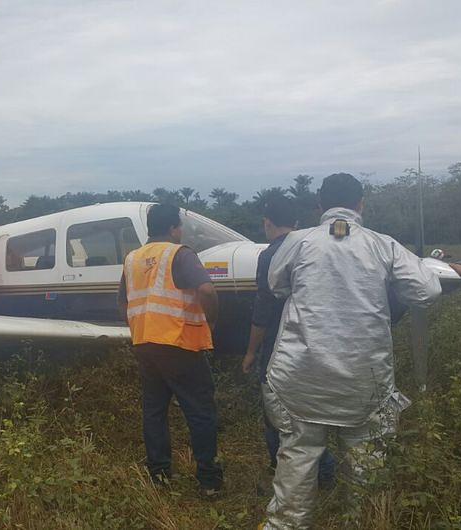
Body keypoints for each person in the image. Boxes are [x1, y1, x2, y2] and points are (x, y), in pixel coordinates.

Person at [260, 174, 441, 529]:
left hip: (300, 379)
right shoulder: (383, 245)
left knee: (296, 461)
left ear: (319, 206)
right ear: (361, 204)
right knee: (366, 472)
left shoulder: (297, 242)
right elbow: (427, 292)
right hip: (364, 384)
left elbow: (276, 285)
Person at [118, 203, 223, 496]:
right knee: (200, 410)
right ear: (174, 228)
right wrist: (210, 322)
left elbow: (123, 303)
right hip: (179, 344)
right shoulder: (180, 253)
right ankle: (209, 480)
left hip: (145, 344)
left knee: (154, 410)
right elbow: (206, 290)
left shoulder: (132, 258)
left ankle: (159, 475)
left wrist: (139, 328)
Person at [241, 196, 335, 492]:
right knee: (313, 410)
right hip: (316, 343)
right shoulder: (315, 247)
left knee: (276, 414)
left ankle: (284, 475)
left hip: (278, 347)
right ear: (296, 223)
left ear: (267, 223)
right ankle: (324, 472)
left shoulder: (270, 256)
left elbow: (263, 310)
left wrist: (251, 351)